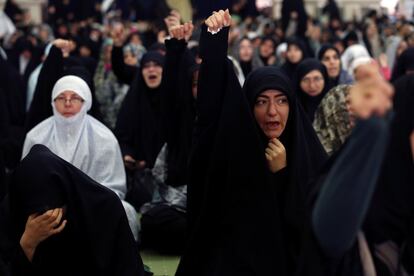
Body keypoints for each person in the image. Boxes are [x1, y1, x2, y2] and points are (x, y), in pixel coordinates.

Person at [176, 10, 327, 275]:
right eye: (261, 101)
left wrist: (282, 175)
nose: (272, 112)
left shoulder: (309, 155)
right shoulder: (235, 153)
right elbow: (210, 113)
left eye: (281, 100)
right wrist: (214, 41)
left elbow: (313, 229)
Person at [22, 75, 139, 240]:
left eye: (75, 98)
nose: (67, 103)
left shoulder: (104, 138)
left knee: (125, 210)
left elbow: (113, 186)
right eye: (61, 98)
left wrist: (79, 202)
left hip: (93, 205)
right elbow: (28, 184)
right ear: (52, 102)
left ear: (86, 102)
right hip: (48, 208)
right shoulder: (36, 137)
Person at [7, 144, 145, 276]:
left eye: (52, 209)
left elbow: (127, 269)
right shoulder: (11, 216)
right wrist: (28, 243)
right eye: (38, 212)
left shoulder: (104, 209)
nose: (47, 217)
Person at [294, 58, 332, 122]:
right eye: (306, 80)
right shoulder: (292, 108)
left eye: (317, 79)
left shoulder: (334, 105)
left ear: (325, 79)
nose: (312, 86)